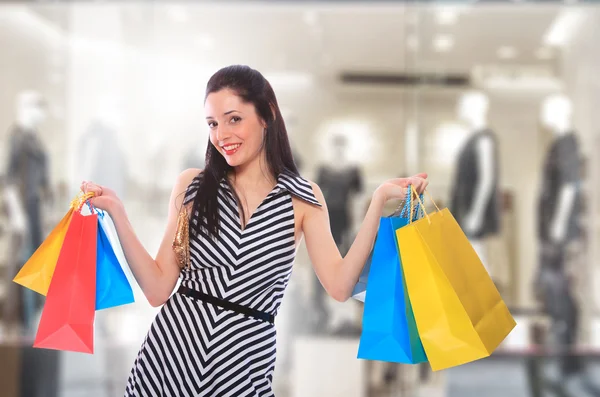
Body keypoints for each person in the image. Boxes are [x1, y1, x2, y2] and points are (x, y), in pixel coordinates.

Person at [81, 65, 429, 397]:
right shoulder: (192, 186)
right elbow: (158, 289)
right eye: (213, 123)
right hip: (168, 362)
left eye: (234, 119)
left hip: (243, 368)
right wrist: (118, 214)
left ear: (266, 115)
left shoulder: (303, 198)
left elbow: (339, 286)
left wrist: (378, 201)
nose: (222, 135)